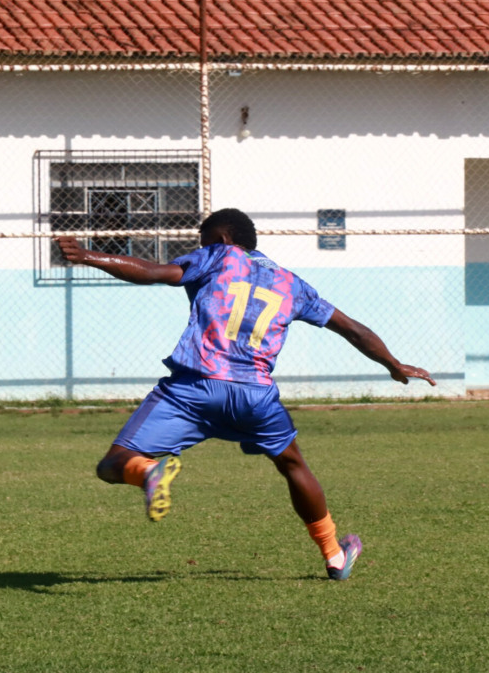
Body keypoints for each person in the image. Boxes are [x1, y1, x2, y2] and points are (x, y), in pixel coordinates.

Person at [56, 208, 435, 581]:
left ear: (222, 239)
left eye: (202, 242)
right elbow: (352, 328)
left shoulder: (219, 256)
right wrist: (393, 364)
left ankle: (148, 471)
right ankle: (335, 555)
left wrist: (88, 255)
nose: (198, 250)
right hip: (255, 396)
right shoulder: (292, 283)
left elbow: (156, 273)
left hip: (193, 387)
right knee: (293, 466)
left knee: (112, 464)